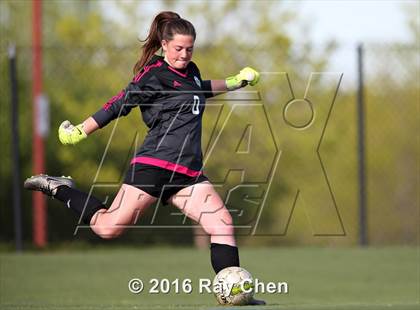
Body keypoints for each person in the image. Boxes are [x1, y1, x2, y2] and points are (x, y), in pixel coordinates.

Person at [24, 11, 265, 305]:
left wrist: (235, 81)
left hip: (188, 172)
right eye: (178, 48)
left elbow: (199, 88)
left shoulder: (191, 71)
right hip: (154, 166)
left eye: (189, 49)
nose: (184, 54)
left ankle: (236, 295)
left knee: (222, 223)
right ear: (164, 44)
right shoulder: (153, 75)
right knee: (107, 228)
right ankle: (59, 187)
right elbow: (118, 104)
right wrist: (80, 130)